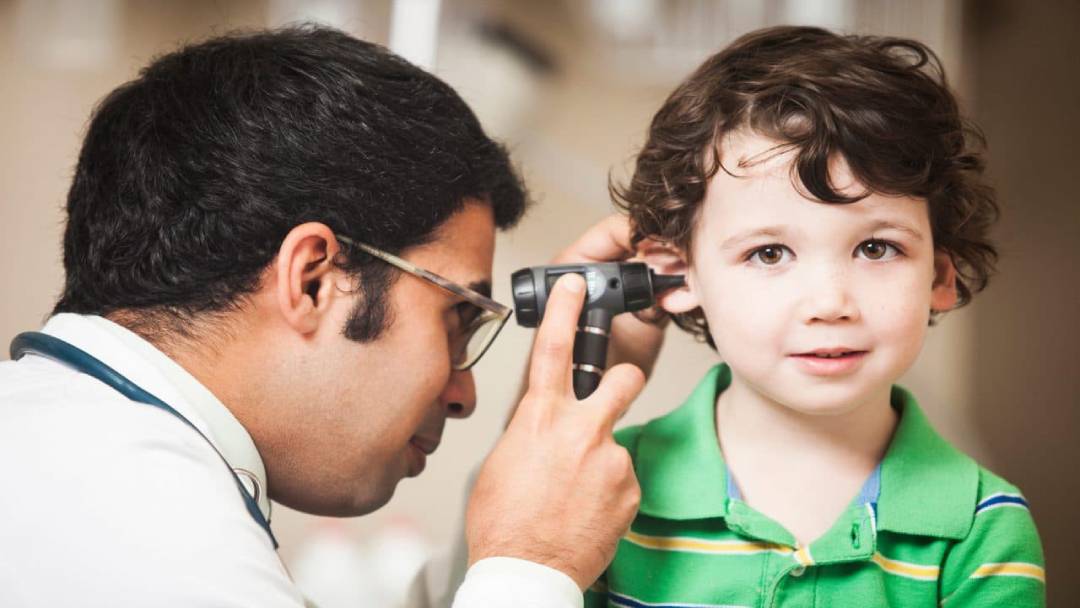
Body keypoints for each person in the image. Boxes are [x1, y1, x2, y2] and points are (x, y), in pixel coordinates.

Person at [0, 26, 653, 608]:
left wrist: (528, 504)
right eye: (457, 316)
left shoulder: (71, 457)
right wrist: (533, 567)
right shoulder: (151, 536)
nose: (464, 395)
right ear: (312, 278)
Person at [584, 26, 1046, 607]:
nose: (830, 304)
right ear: (676, 273)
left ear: (939, 278)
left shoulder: (984, 529)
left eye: (876, 248)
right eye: (768, 253)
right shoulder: (600, 487)